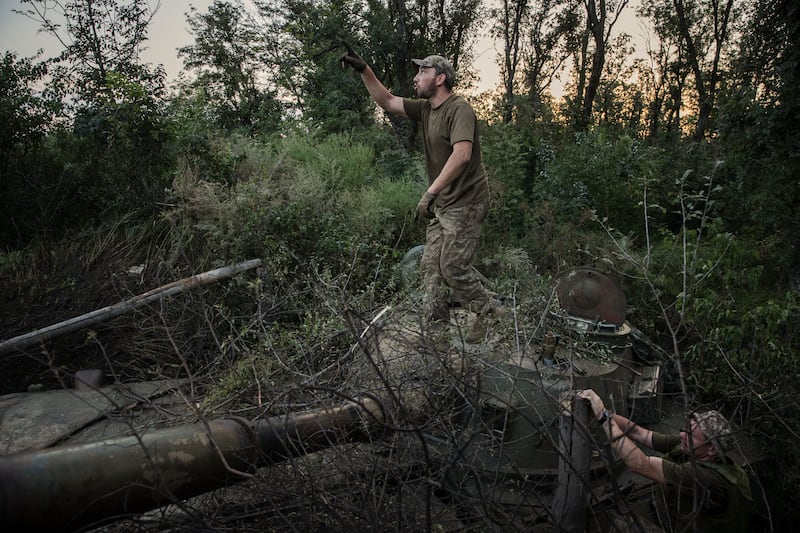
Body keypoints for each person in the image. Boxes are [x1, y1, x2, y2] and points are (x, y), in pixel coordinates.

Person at [340, 47, 499, 343]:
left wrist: (430, 192)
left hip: (467, 201)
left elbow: (462, 155)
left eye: (422, 72)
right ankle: (436, 335)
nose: (415, 78)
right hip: (444, 204)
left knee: (452, 266)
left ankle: (488, 314)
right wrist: (365, 70)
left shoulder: (459, 109)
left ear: (440, 78)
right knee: (430, 269)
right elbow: (386, 100)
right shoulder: (426, 109)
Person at [577, 389, 753, 532]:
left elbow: (641, 464)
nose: (683, 435)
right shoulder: (689, 447)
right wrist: (602, 412)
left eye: (692, 435)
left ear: (712, 449)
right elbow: (639, 433)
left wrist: (603, 419)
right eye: (687, 429)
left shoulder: (705, 477)